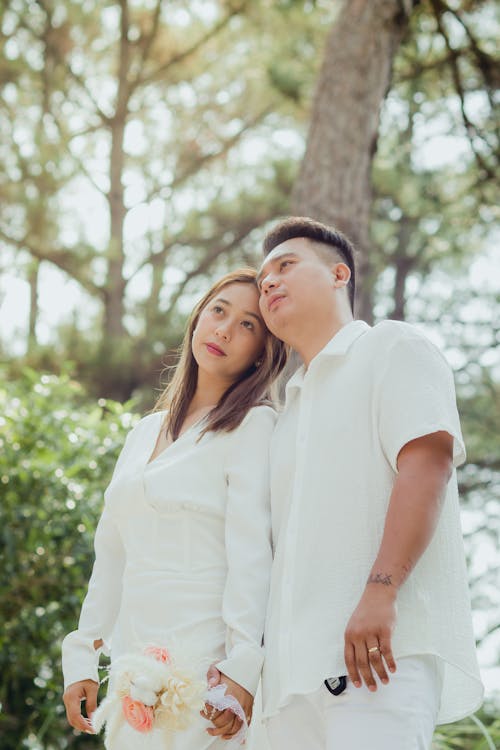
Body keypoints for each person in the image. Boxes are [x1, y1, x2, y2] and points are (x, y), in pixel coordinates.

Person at [254, 217, 483, 749]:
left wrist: (382, 589)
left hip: (379, 663)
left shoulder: (391, 346)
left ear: (339, 274)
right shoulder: (284, 413)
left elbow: (428, 464)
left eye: (285, 265)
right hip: (285, 690)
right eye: (263, 277)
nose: (268, 282)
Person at [62, 269, 288, 749]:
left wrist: (242, 667)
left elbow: (252, 555)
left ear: (263, 353)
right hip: (133, 666)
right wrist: (83, 653)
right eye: (219, 310)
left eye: (248, 325)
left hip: (206, 672)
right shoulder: (145, 431)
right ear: (197, 318)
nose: (225, 329)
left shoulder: (255, 425)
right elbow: (112, 553)